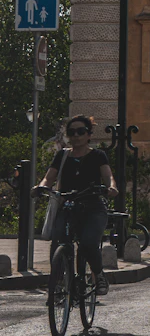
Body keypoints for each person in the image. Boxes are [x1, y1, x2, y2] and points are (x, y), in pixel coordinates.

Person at [32, 116, 118, 295]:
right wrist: (41, 187)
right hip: (68, 206)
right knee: (58, 241)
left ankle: (99, 274)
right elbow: (49, 177)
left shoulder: (98, 155)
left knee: (88, 242)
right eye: (72, 132)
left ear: (89, 135)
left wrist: (111, 187)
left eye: (81, 132)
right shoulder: (62, 155)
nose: (76, 136)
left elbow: (108, 175)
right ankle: (58, 282)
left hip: (93, 207)